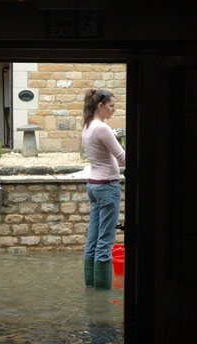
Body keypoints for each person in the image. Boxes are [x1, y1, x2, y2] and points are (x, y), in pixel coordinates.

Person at [82, 89, 125, 290]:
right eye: (111, 106)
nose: (114, 110)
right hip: (107, 187)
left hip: (93, 186)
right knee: (105, 242)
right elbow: (122, 157)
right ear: (101, 106)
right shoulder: (102, 128)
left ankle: (91, 288)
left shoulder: (87, 126)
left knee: (93, 239)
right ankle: (102, 296)